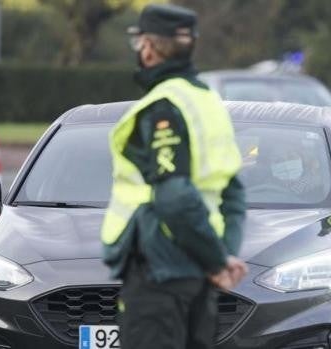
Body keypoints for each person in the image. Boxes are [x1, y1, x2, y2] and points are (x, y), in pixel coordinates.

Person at [100, 4, 248, 349]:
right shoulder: (209, 102)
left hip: (159, 272)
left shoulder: (163, 106)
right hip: (198, 274)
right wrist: (222, 256)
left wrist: (216, 260)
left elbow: (174, 196)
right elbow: (234, 193)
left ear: (149, 48)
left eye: (139, 44)